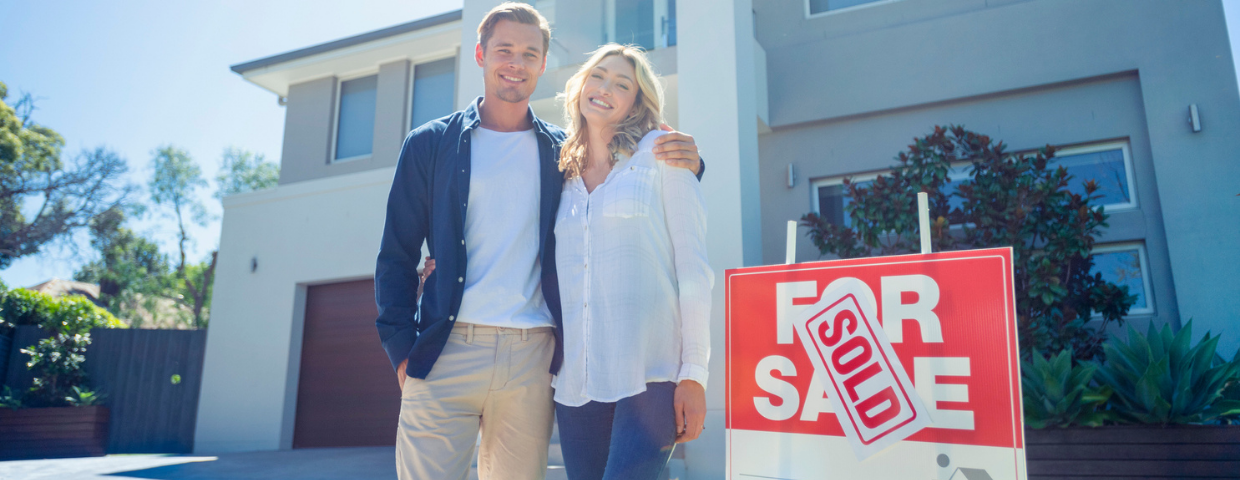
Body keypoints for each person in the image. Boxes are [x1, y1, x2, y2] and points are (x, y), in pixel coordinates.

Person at [373, 4, 703, 480]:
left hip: (532, 361)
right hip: (446, 350)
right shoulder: (430, 144)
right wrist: (402, 350)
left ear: (544, 64)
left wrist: (692, 162)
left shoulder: (561, 152)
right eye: (504, 50)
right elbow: (395, 255)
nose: (516, 62)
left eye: (530, 53)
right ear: (481, 54)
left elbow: (623, 172)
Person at [549, 44, 712, 480]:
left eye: (622, 84)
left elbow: (694, 269)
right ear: (580, 85)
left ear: (636, 103)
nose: (605, 88)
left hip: (652, 375)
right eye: (598, 76)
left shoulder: (662, 153)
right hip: (576, 383)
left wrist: (695, 375)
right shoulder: (558, 175)